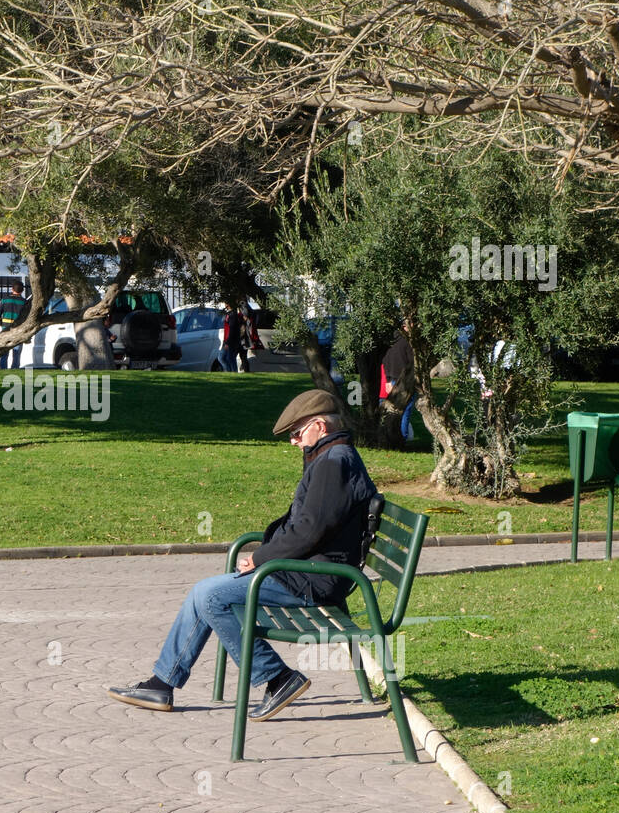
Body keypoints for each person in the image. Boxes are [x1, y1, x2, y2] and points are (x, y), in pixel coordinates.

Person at [108, 389, 378, 719]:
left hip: (311, 579)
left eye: (296, 433)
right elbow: (309, 529)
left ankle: (278, 679)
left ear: (320, 426)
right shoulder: (331, 458)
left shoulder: (333, 464)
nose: (293, 442)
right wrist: (265, 556)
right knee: (203, 592)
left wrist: (262, 558)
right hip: (305, 571)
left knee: (211, 597)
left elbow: (308, 532)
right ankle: (161, 684)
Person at [380, 321, 416, 442]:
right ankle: (402, 437)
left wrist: (388, 380)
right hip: (405, 380)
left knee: (392, 411)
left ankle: (390, 437)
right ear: (405, 326)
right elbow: (413, 362)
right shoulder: (409, 342)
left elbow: (385, 361)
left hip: (391, 379)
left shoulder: (391, 340)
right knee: (405, 411)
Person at [0, 281, 27, 369]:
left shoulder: (5, 300)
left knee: (4, 354)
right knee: (16, 354)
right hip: (18, 331)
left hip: (6, 330)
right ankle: (14, 369)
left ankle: (3, 370)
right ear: (22, 290)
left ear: (12, 289)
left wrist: (2, 324)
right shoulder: (25, 303)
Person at [219, 303, 248, 373]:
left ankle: (233, 373)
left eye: (226, 302)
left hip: (230, 341)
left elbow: (231, 330)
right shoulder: (229, 314)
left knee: (229, 358)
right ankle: (230, 372)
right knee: (223, 358)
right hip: (227, 340)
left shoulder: (233, 315)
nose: (224, 304)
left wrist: (227, 342)